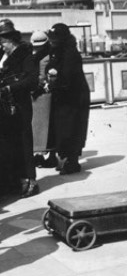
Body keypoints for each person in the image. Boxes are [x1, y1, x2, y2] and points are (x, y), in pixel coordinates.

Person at [0, 20, 39, 198]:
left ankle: (30, 180)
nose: (2, 46)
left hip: (20, 105)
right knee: (11, 143)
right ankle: (16, 180)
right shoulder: (4, 56)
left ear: (12, 40)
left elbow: (31, 81)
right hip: (7, 107)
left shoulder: (25, 56)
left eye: (4, 42)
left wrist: (10, 88)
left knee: (24, 141)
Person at [45, 23, 90, 175]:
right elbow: (50, 66)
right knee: (62, 129)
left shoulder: (71, 53)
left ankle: (73, 162)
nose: (51, 42)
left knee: (72, 129)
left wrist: (55, 79)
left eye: (54, 40)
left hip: (75, 97)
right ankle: (64, 159)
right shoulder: (56, 50)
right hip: (64, 96)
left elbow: (68, 77)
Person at [30, 30, 58, 169]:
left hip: (45, 94)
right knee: (40, 129)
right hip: (40, 95)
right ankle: (40, 155)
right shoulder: (46, 55)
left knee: (46, 129)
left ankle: (48, 156)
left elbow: (48, 76)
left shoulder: (46, 56)